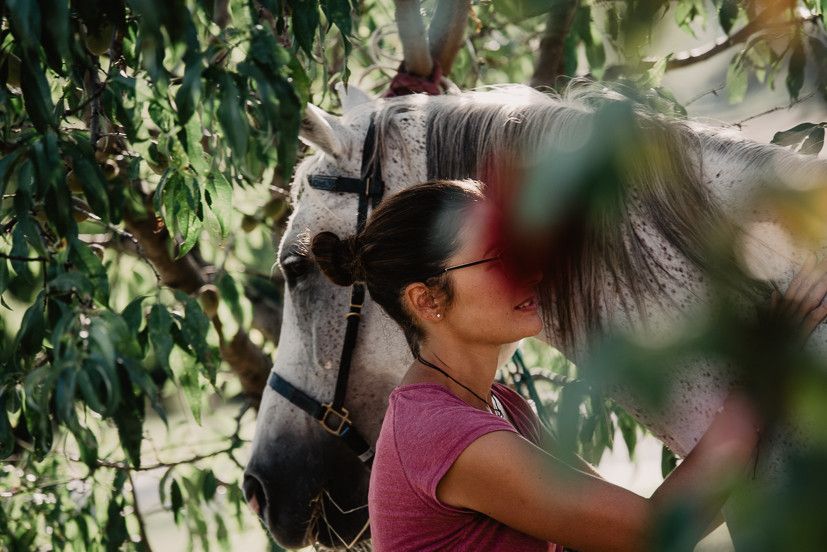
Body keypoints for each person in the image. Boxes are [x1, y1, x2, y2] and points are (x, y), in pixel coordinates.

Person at [309, 178, 827, 552]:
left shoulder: (498, 404)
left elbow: (633, 526)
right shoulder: (441, 434)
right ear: (427, 300)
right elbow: (652, 533)